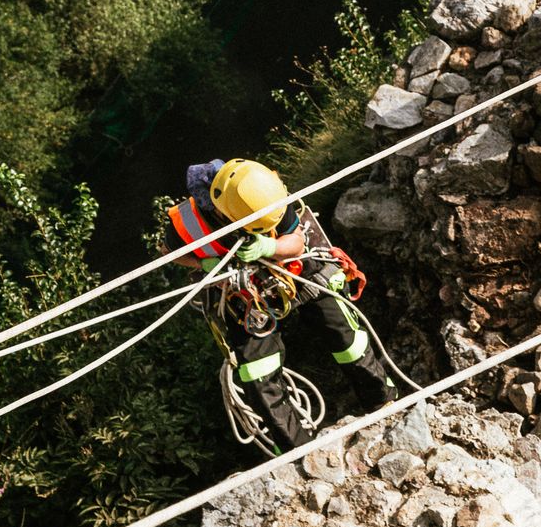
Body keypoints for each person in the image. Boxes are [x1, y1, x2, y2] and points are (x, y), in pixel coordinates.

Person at [164, 158, 393, 454]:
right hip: (242, 291)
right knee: (257, 373)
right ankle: (297, 452)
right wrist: (205, 264)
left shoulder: (263, 191)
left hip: (291, 268)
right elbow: (170, 252)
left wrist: (269, 247)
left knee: (344, 334)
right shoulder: (188, 222)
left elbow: (296, 241)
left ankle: (384, 402)